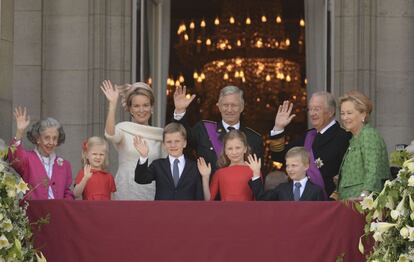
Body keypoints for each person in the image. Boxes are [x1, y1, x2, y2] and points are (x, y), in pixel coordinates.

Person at [270, 92, 351, 198]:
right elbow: (279, 156)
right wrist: (278, 127)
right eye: (310, 109)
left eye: (317, 109)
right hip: (303, 201)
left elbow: (348, 176)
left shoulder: (343, 137)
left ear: (330, 112)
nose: (312, 113)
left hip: (327, 204)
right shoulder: (308, 136)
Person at [173, 85, 263, 173]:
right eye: (225, 105)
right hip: (207, 187)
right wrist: (179, 111)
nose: (229, 109)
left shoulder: (254, 138)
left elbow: (257, 174)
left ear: (242, 107)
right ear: (219, 106)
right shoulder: (204, 130)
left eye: (234, 105)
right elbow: (179, 140)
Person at [101, 80, 165, 200]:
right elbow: (110, 134)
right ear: (130, 109)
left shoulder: (160, 134)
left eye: (146, 105)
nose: (141, 110)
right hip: (126, 190)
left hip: (152, 192)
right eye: (136, 106)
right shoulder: (123, 128)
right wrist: (112, 105)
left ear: (152, 107)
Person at [8, 107, 74, 200]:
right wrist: (19, 132)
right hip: (34, 212)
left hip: (58, 212)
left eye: (55, 138)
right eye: (47, 138)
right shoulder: (28, 159)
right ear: (38, 138)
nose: (51, 142)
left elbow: (67, 192)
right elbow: (14, 159)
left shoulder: (65, 165)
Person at [338, 90, 390, 200]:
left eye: (349, 113)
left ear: (363, 114)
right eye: (342, 113)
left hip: (361, 205)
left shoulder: (368, 135)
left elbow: (373, 169)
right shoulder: (355, 137)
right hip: (349, 202)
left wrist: (364, 196)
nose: (344, 117)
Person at [134, 122, 203, 200]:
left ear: (184, 143)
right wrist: (143, 156)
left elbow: (199, 196)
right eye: (169, 142)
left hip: (187, 211)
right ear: (163, 145)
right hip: (162, 211)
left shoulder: (195, 167)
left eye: (177, 141)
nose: (173, 145)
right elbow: (140, 179)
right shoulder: (157, 165)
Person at [198, 130, 261, 201]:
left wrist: (256, 173)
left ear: (245, 149)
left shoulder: (255, 171)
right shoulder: (220, 173)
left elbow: (259, 200)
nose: (234, 152)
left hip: (248, 211)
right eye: (230, 149)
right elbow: (208, 200)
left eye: (238, 148)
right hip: (225, 211)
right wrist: (205, 177)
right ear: (225, 151)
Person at [249, 147, 326, 201]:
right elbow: (262, 198)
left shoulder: (316, 191)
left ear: (306, 166)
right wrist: (256, 173)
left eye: (294, 165)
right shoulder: (281, 189)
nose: (289, 169)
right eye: (287, 165)